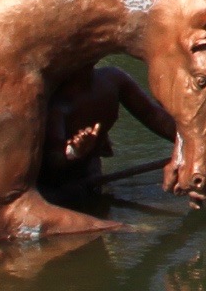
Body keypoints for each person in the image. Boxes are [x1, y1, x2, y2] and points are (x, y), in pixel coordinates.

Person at [42, 63, 179, 199]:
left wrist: (191, 142)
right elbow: (53, 160)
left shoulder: (113, 79)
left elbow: (153, 115)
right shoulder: (56, 101)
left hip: (93, 179)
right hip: (55, 192)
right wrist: (73, 152)